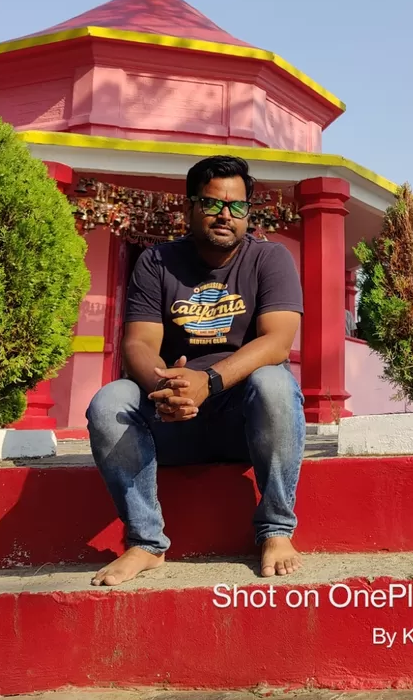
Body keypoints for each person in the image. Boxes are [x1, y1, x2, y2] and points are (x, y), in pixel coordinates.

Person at [86, 155, 305, 586]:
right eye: (213, 204)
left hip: (244, 421)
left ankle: (277, 529)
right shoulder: (157, 262)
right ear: (190, 206)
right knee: (110, 402)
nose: (226, 215)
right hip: (173, 418)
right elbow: (138, 344)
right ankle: (145, 542)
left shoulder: (270, 259)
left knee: (275, 381)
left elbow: (277, 341)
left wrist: (210, 381)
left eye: (238, 206)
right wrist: (165, 387)